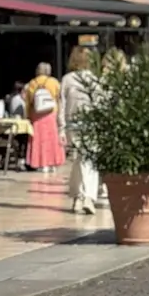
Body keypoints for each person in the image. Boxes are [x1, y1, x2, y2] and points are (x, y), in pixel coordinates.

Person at [59, 49, 100, 214]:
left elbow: (61, 105)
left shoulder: (67, 79)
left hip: (72, 124)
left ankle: (77, 196)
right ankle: (88, 196)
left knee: (80, 160)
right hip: (88, 123)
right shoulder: (93, 80)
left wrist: (61, 127)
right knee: (88, 159)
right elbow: (98, 103)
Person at [24, 62, 65, 172]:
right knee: (52, 139)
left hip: (36, 115)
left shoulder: (32, 83)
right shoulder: (54, 82)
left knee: (39, 139)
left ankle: (41, 163)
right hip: (51, 113)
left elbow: (28, 102)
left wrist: (27, 116)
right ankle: (53, 163)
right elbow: (59, 99)